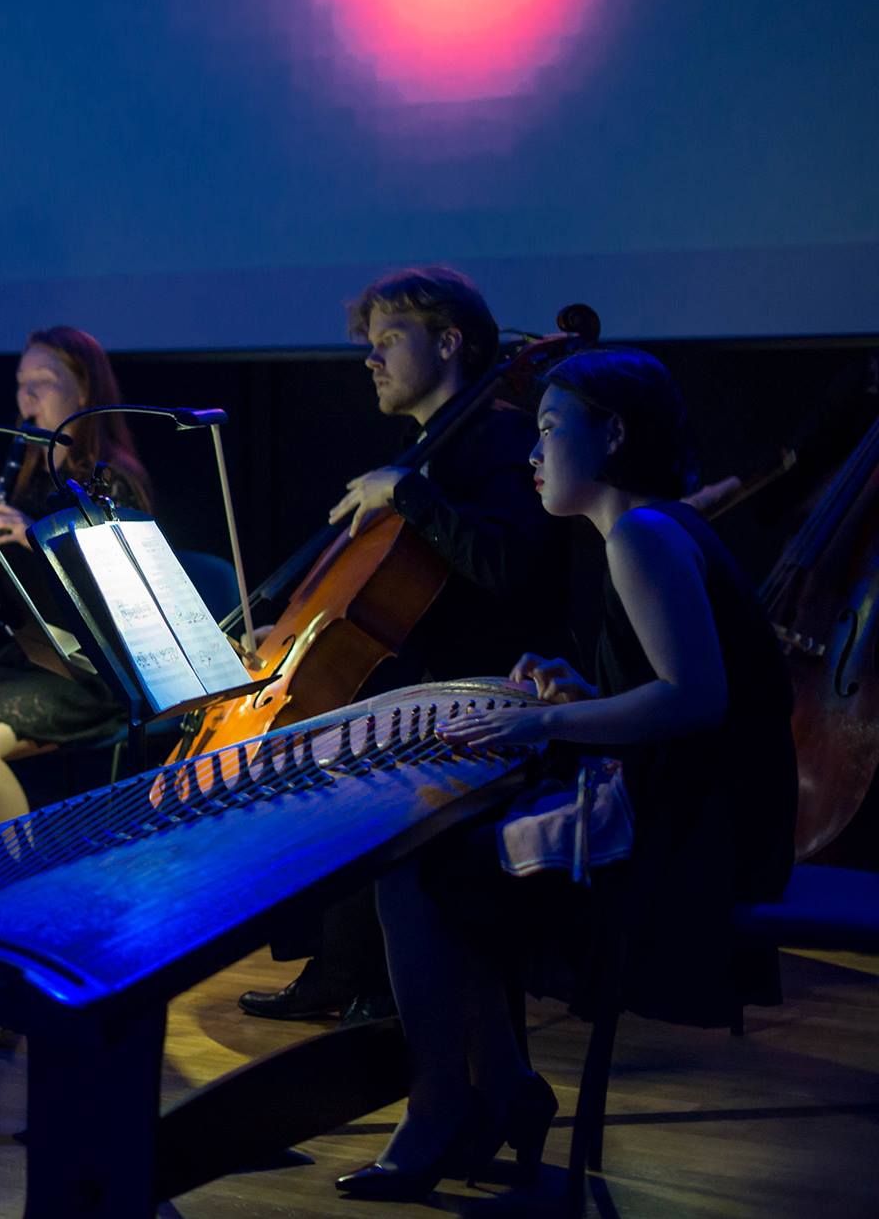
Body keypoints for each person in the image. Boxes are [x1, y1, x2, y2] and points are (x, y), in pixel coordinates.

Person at [335, 347, 796, 1199]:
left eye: (549, 428)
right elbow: (672, 689)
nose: (533, 453)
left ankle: (445, 1104)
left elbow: (696, 700)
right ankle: (498, 1089)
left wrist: (541, 719)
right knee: (439, 861)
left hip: (688, 849)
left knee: (414, 865)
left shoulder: (643, 537)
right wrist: (584, 692)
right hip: (702, 820)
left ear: (612, 435)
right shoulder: (658, 526)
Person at [238, 267, 572, 1026]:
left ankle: (381, 981)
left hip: (497, 698)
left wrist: (408, 493)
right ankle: (345, 966)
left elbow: (506, 566)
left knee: (345, 768)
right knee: (320, 753)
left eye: (390, 338)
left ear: (450, 343)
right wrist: (301, 628)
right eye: (370, 341)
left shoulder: (500, 438)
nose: (371, 358)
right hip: (433, 688)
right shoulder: (429, 448)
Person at [0, 325, 153, 850]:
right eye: (21, 383)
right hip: (32, 658)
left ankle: (24, 886)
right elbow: (21, 599)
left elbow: (120, 596)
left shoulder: (109, 481)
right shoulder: (26, 476)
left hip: (93, 666)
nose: (28, 396)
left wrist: (35, 539)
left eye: (43, 380)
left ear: (84, 391)